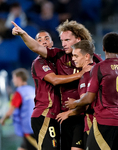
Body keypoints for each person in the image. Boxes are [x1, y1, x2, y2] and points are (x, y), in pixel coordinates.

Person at [11, 20, 102, 150]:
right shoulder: (57, 56)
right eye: (62, 40)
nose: (64, 44)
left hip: (83, 116)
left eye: (67, 40)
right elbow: (36, 48)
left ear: (78, 39)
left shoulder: (93, 59)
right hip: (63, 117)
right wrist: (23, 34)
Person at [66, 32, 118, 150]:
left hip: (105, 120)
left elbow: (89, 97)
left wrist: (74, 103)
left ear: (103, 48)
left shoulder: (99, 67)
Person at [30, 30, 92, 150]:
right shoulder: (39, 62)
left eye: (46, 38)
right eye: (39, 40)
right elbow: (54, 80)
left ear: (52, 42)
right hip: (44, 113)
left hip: (55, 116)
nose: (44, 42)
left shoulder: (56, 61)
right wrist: (80, 74)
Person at [56, 40, 96, 149]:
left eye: (76, 56)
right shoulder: (98, 69)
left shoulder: (87, 74)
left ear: (87, 56)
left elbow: (86, 103)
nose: (73, 59)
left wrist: (68, 112)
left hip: (92, 122)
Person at [0, 68, 37, 150]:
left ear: (18, 78)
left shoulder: (18, 93)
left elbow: (10, 112)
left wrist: (3, 120)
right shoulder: (33, 90)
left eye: (13, 78)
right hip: (37, 124)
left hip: (28, 128)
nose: (13, 81)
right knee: (23, 147)